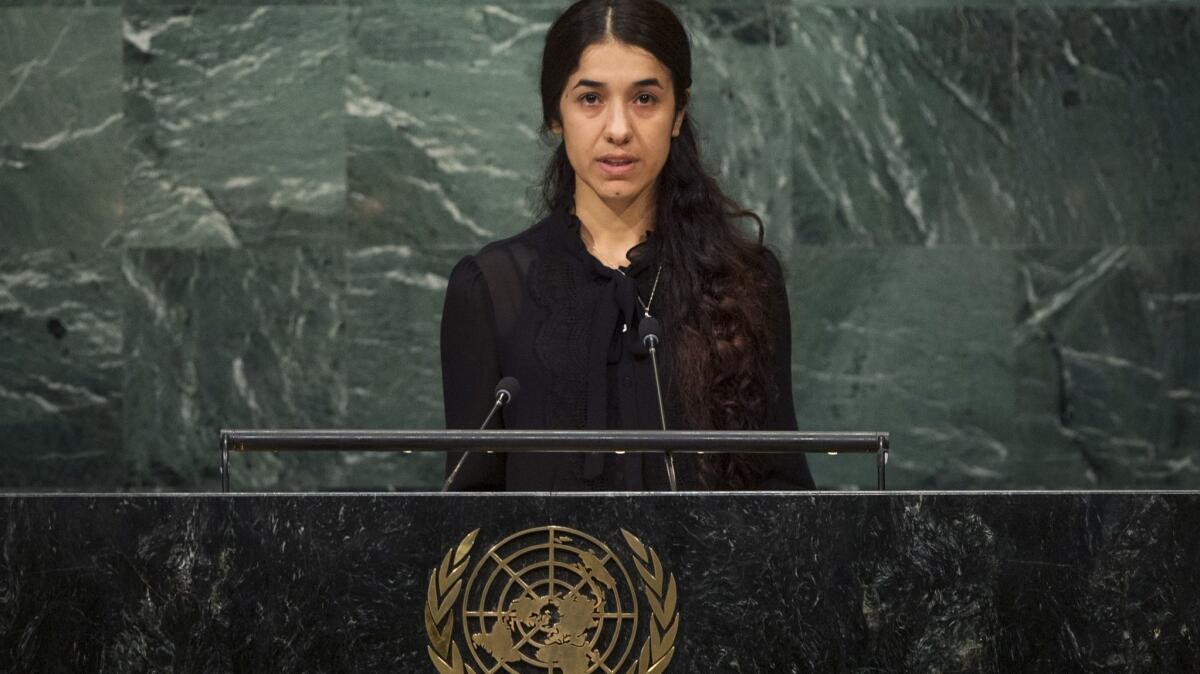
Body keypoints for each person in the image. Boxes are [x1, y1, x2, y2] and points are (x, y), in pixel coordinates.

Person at [440, 0, 814, 491]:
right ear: (556, 114)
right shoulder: (491, 289)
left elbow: (784, 497)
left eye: (645, 99)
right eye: (590, 99)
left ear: (678, 113)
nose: (618, 130)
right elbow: (465, 518)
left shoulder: (745, 282)